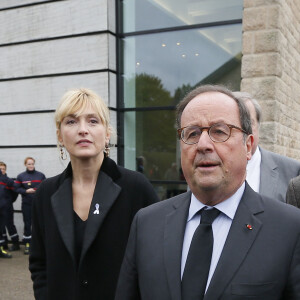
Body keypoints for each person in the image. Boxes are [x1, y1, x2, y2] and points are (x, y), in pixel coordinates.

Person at [115, 85, 300, 299]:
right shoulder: (147, 224)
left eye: (219, 131)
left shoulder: (288, 228)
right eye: (192, 133)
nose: (203, 144)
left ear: (248, 146)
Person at [29, 88, 159, 300]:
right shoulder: (46, 193)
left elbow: (155, 261)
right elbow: (39, 263)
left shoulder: (136, 188)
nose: (83, 130)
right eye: (71, 121)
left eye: (93, 121)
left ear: (107, 134)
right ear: (60, 136)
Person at [233, 92, 300, 202]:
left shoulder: (293, 171)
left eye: (248, 123)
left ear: (258, 126)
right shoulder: (205, 169)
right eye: (233, 124)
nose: (242, 130)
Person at [15, 157, 46, 254]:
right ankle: (28, 244)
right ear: (25, 165)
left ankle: (40, 245)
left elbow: (45, 186)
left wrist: (36, 189)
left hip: (39, 204)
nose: (31, 165)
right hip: (26, 204)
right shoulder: (21, 176)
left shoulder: (40, 175)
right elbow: (16, 188)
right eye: (29, 164)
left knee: (40, 224)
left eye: (32, 164)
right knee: (27, 224)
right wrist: (25, 191)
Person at [0, 162, 19, 252]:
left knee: (10, 225)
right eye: (0, 169)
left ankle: (16, 244)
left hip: (7, 207)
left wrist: (9, 201)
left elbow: (15, 192)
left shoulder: (9, 181)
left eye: (3, 169)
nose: (2, 170)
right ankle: (4, 244)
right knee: (1, 227)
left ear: (5, 170)